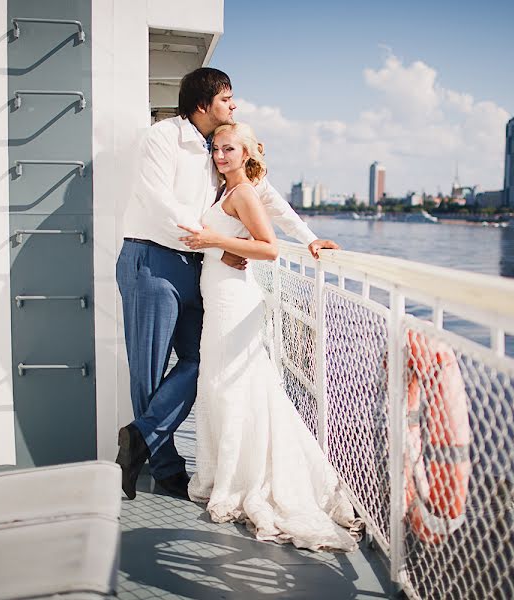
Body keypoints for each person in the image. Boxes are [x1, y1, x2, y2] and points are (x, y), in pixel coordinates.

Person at [115, 67, 338, 501]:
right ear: (203, 104)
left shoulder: (224, 148)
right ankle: (164, 467)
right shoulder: (163, 137)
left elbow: (267, 198)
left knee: (202, 357)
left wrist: (310, 240)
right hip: (151, 258)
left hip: (196, 264)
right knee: (148, 370)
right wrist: (210, 237)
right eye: (227, 99)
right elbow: (155, 196)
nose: (234, 106)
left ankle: (140, 437)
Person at [178, 122, 361, 551]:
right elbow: (251, 233)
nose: (220, 156)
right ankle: (233, 472)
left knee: (231, 383)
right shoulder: (226, 190)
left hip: (232, 298)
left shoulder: (243, 192)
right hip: (219, 291)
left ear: (246, 154)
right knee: (224, 383)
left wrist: (216, 239)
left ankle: (248, 479)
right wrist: (223, 243)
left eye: (229, 149)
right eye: (216, 149)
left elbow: (269, 246)